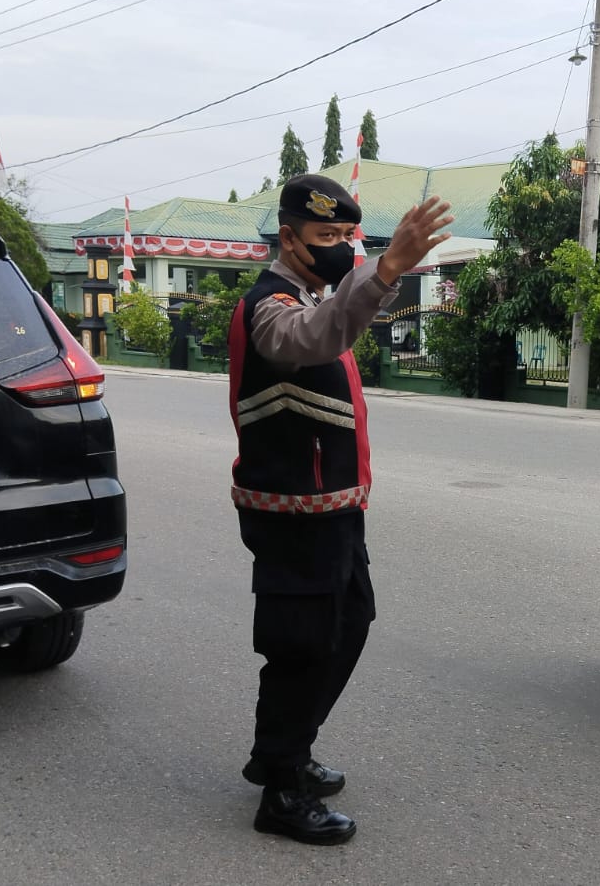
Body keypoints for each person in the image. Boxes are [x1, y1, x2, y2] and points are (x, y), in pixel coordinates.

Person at [230, 173, 453, 846]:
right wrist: (385, 269)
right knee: (301, 643)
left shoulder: (314, 293)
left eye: (346, 237)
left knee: (348, 620)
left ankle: (287, 750)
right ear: (289, 237)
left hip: (332, 507)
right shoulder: (270, 306)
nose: (337, 249)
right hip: (293, 510)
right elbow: (314, 338)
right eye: (326, 237)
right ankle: (280, 790)